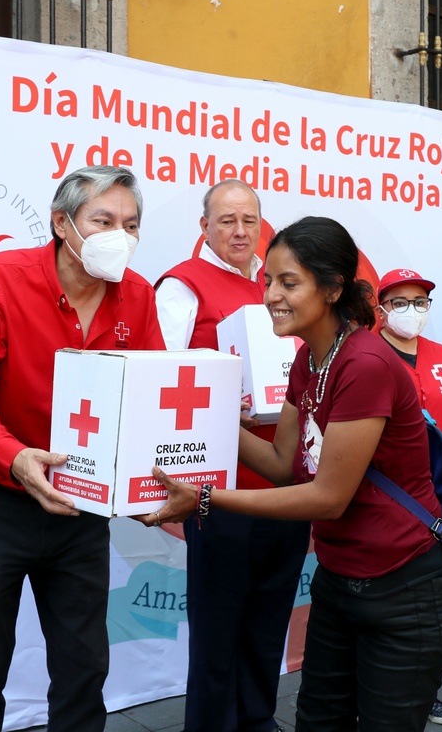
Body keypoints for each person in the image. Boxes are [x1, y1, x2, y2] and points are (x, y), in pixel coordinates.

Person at [148, 216, 442, 732]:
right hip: (340, 584)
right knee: (318, 721)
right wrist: (211, 415)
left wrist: (205, 498)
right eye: (268, 280)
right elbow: (281, 465)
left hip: (402, 590)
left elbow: (326, 498)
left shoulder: (364, 364)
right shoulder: (309, 362)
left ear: (334, 288)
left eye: (288, 283)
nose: (270, 294)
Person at [0, 165, 166, 732]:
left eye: (131, 225)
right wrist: (14, 456)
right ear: (63, 224)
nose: (120, 236)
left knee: (84, 667)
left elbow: (153, 395)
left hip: (81, 509)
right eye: (103, 221)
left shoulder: (136, 295)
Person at [155, 180, 310, 732]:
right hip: (219, 486)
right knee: (219, 624)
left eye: (250, 220)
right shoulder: (182, 286)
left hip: (286, 484)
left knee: (269, 617)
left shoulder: (279, 288)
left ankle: (257, 720)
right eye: (227, 221)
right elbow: (164, 379)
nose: (241, 231)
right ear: (204, 228)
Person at [375, 267, 442, 727]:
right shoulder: (367, 354)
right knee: (385, 611)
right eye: (399, 302)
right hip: (383, 501)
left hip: (438, 507)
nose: (411, 311)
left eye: (419, 302)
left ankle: (425, 691)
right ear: (380, 309)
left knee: (437, 615)